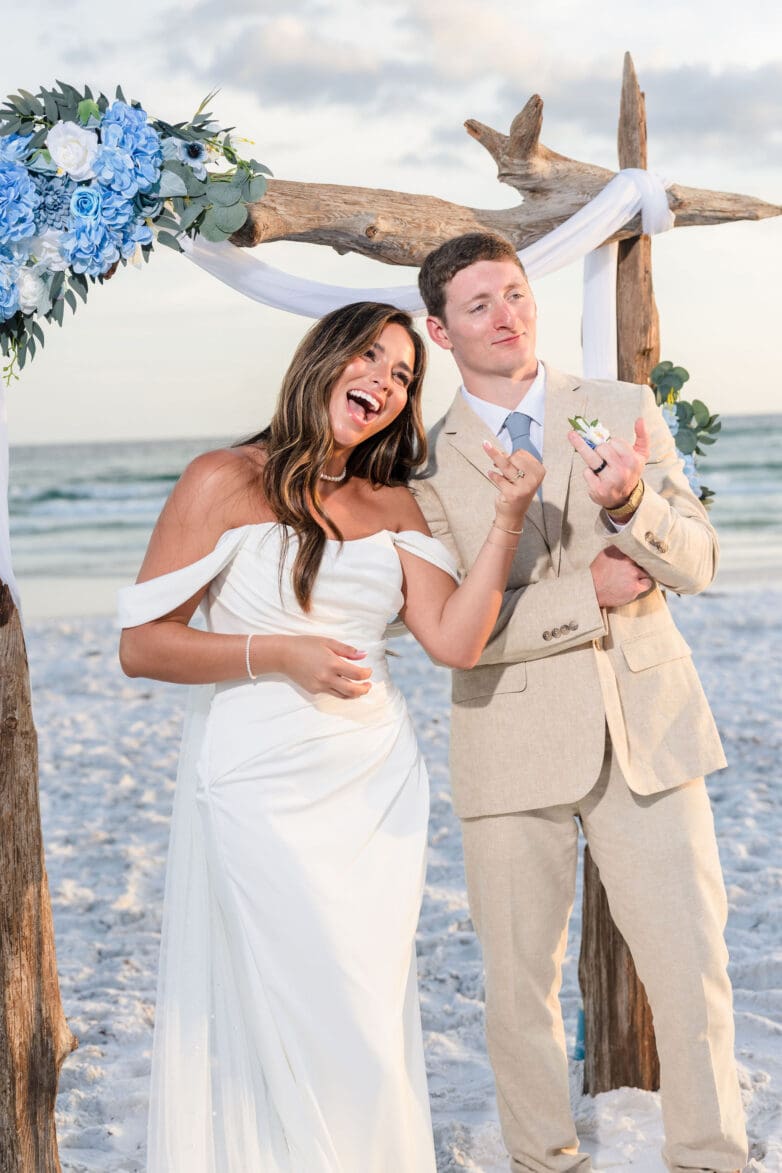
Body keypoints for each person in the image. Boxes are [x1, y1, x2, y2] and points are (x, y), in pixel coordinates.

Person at [117, 300, 543, 1173]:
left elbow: (454, 642)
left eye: (403, 375)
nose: (385, 384)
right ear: (324, 358)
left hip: (372, 786)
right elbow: (143, 645)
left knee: (366, 1009)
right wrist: (279, 653)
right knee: (303, 1002)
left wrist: (504, 523)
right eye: (370, 359)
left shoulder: (394, 503)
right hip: (258, 782)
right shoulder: (222, 478)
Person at [412, 233, 748, 1173]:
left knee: (694, 970)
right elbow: (449, 630)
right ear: (441, 331)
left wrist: (636, 497)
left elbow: (698, 563)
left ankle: (712, 1157)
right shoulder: (422, 469)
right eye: (478, 305)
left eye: (514, 293)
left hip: (647, 725)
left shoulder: (621, 408)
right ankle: (543, 1161)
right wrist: (579, 595)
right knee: (518, 989)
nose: (506, 314)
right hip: (506, 739)